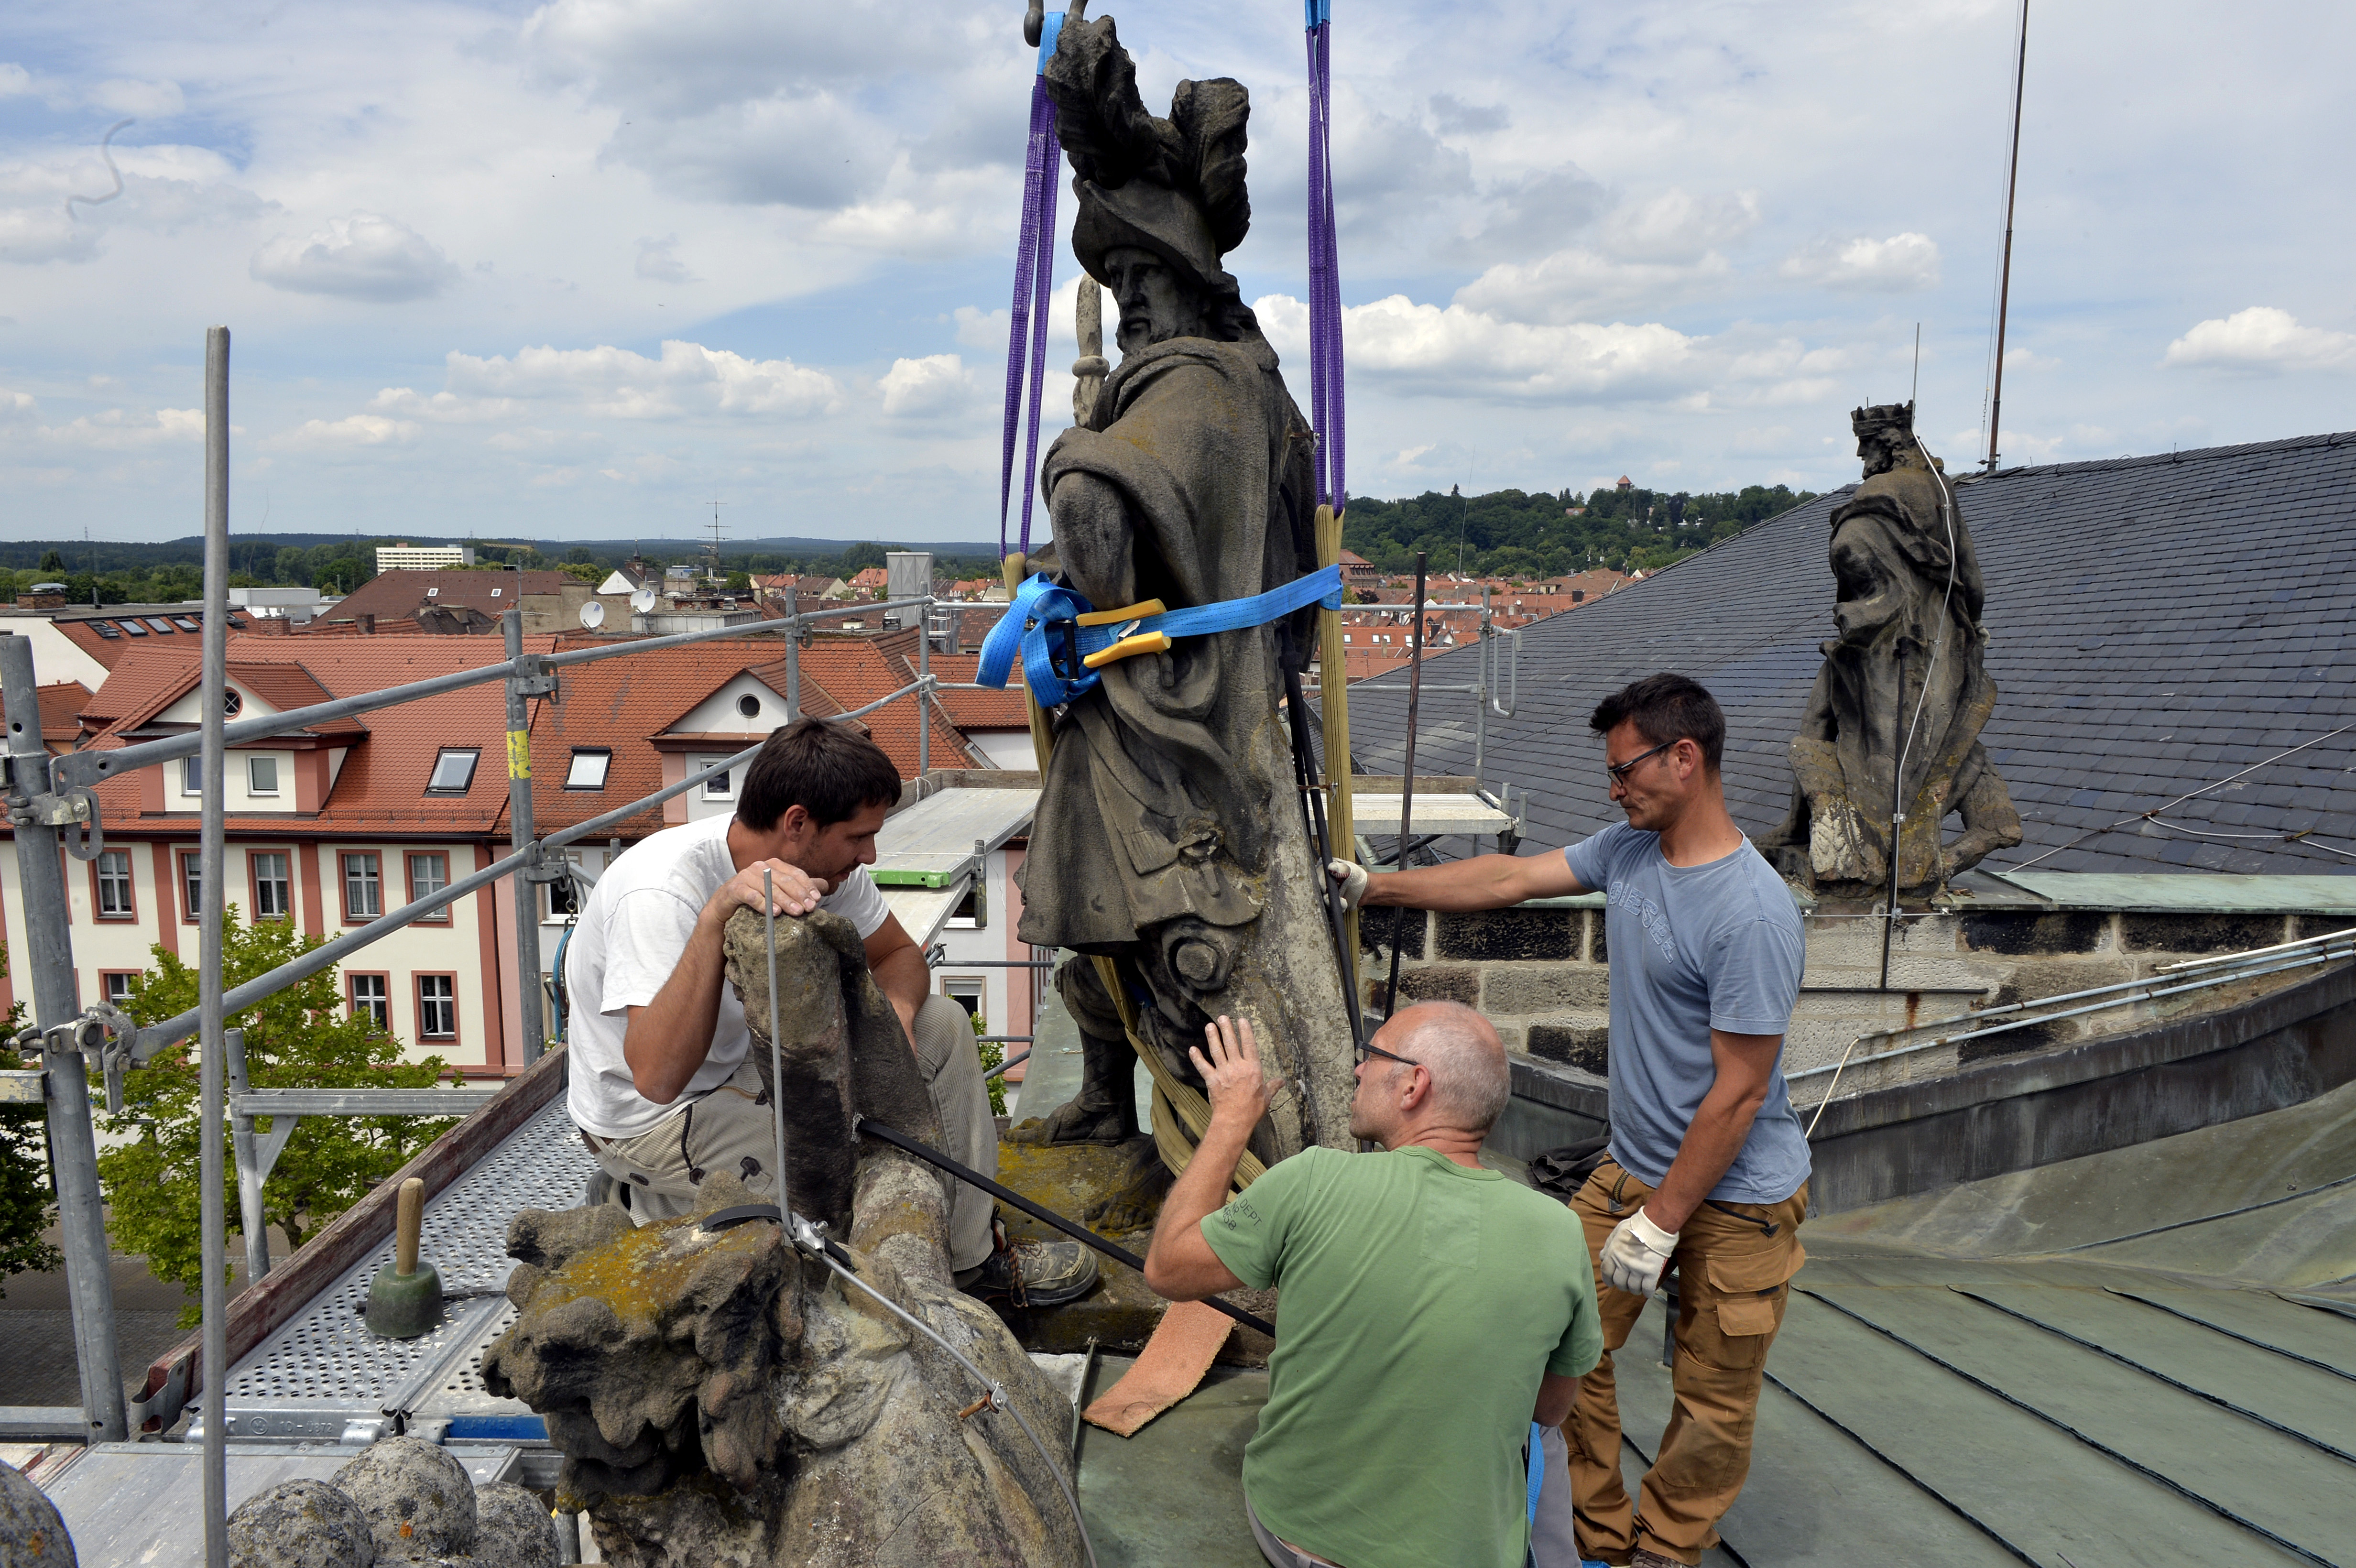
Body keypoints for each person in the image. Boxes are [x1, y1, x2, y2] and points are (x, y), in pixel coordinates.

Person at [1330, 673, 1810, 1568]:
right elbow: (1509, 876)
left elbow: (1739, 1094)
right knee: (1560, 1348)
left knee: (1711, 1404)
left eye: (1624, 770)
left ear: (1683, 759)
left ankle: (1663, 1553)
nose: (1612, 787)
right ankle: (1591, 1539)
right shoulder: (1630, 853)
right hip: (1632, 1167)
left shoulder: (1749, 915)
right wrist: (1378, 888)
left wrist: (1661, 1222)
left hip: (1739, 1197)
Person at [564, 716, 1096, 1306]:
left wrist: (895, 1018)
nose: (869, 854)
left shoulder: (823, 865)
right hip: (654, 1118)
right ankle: (649, 1205)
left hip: (751, 1068)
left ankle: (971, 1261)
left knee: (940, 1024)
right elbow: (657, 1077)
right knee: (836, 1178)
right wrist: (714, 920)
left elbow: (898, 954)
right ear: (797, 823)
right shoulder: (661, 891)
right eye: (858, 836)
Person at [1144, 1001, 1603, 1568]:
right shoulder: (1559, 1230)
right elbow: (1550, 1409)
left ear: (1414, 1085)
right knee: (1545, 1443)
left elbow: (1167, 1267)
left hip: (1300, 1540)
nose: (1357, 1070)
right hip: (1467, 1553)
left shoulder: (1312, 1180)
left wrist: (1233, 1117)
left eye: (1371, 1055)